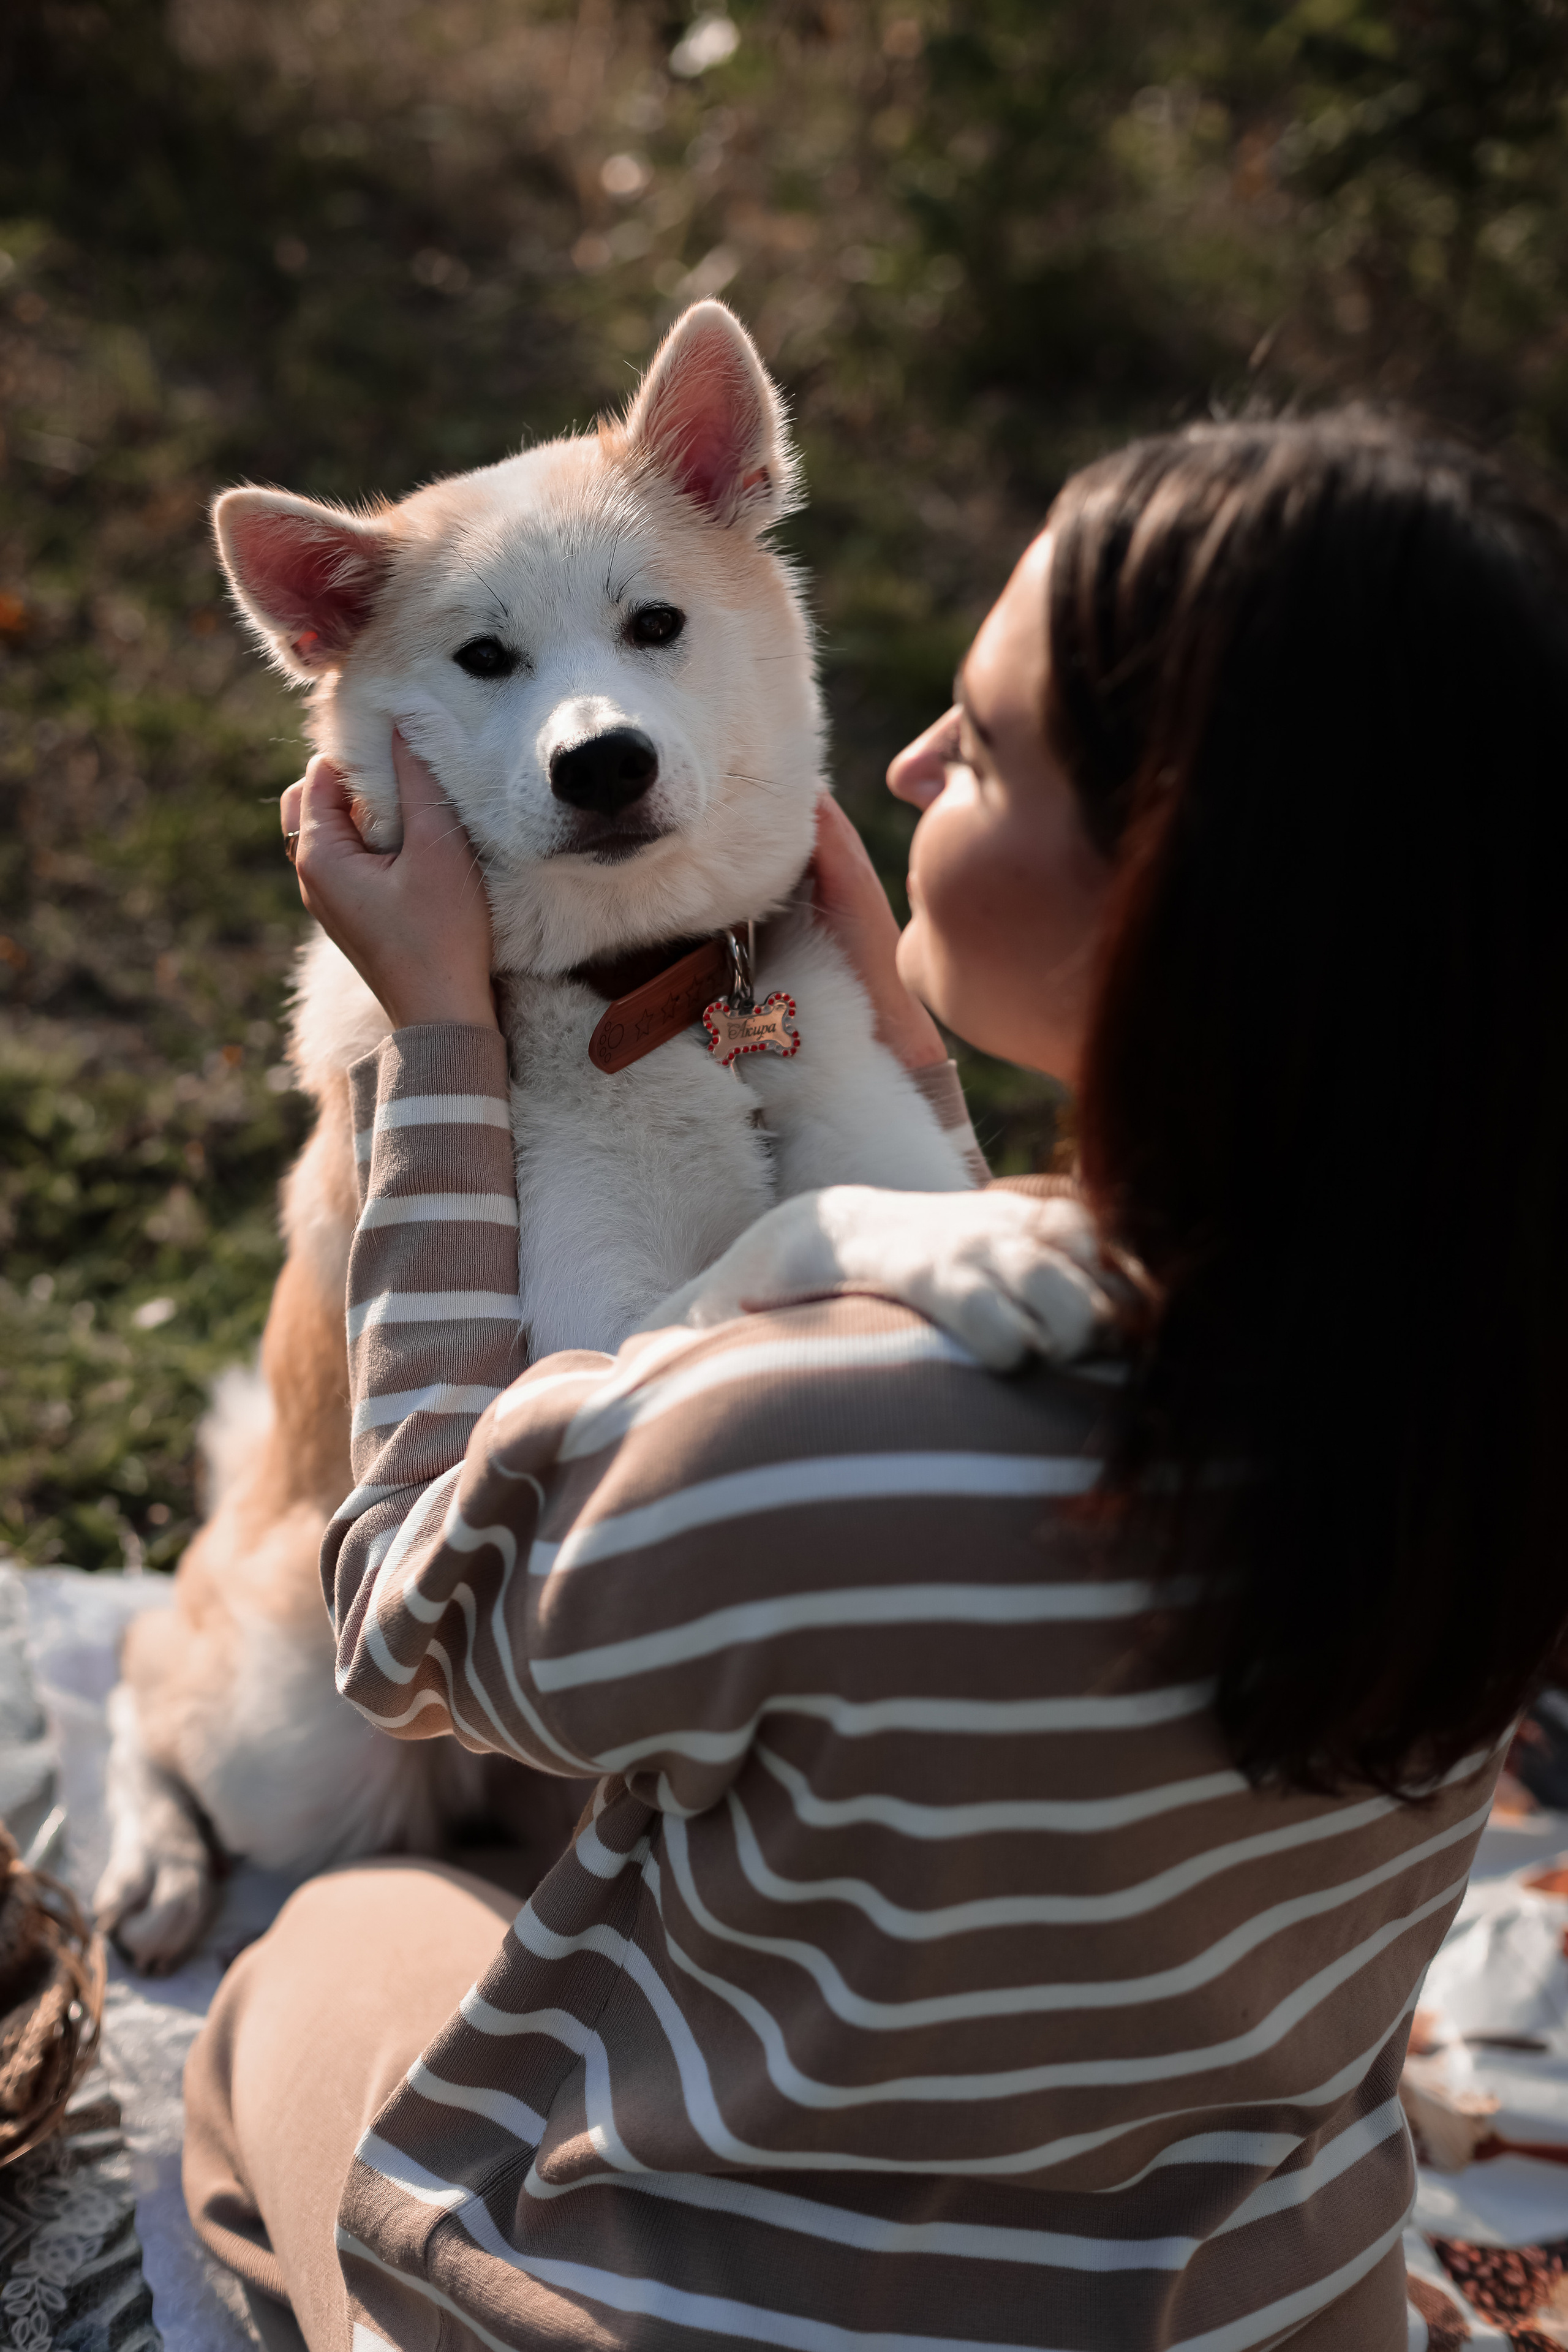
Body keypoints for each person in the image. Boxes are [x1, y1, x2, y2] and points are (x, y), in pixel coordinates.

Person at [182, 412, 1568, 2352]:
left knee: (318, 1950)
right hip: (1249, 2300)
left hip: (709, 2306)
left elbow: (414, 1618)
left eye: (978, 746)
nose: (902, 761)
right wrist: (898, 1123)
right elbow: (992, 1389)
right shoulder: (1472, 1374)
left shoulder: (784, 1442)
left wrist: (438, 1044)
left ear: (1184, 861)